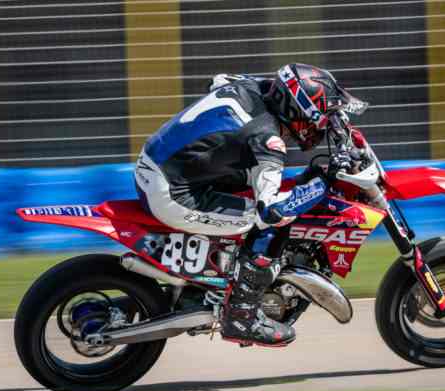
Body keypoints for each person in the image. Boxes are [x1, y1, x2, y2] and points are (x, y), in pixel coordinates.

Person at [134, 63, 365, 347]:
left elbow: (218, 80)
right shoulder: (268, 139)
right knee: (272, 223)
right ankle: (242, 316)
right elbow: (270, 212)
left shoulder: (255, 86)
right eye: (321, 118)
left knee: (254, 183)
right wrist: (321, 184)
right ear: (300, 113)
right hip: (172, 192)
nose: (322, 125)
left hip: (166, 165)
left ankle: (207, 282)